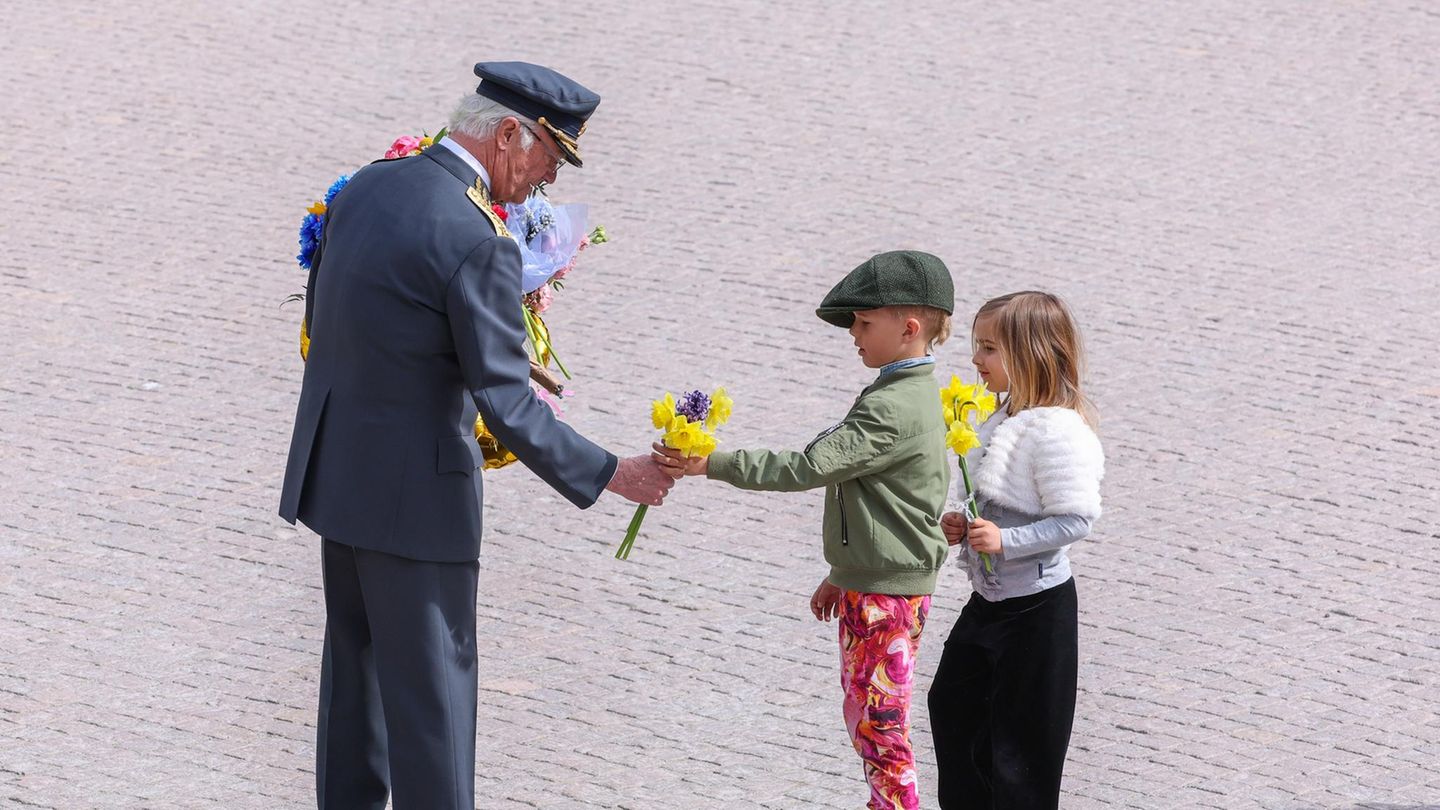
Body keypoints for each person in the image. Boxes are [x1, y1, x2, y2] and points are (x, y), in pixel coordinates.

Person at [278, 62, 677, 810]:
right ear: (506, 136)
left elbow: (332, 324)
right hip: (419, 506)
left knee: (353, 698)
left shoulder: (366, 186)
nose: (539, 187)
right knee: (435, 708)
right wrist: (612, 473)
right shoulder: (476, 237)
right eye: (546, 165)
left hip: (339, 483)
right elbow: (505, 405)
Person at [656, 250, 955, 810]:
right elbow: (890, 501)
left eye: (865, 324)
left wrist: (710, 463)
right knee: (872, 719)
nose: (854, 335)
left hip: (883, 598)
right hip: (881, 583)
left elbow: (809, 466)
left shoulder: (890, 407)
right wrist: (844, 572)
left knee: (880, 730)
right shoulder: (915, 393)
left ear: (909, 328)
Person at [926, 291, 1105, 809]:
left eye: (987, 349)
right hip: (990, 604)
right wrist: (960, 520)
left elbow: (1076, 518)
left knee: (1022, 751)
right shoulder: (999, 416)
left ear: (1030, 354)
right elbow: (984, 489)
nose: (975, 361)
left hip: (1036, 612)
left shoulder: (1058, 431)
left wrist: (1006, 540)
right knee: (954, 708)